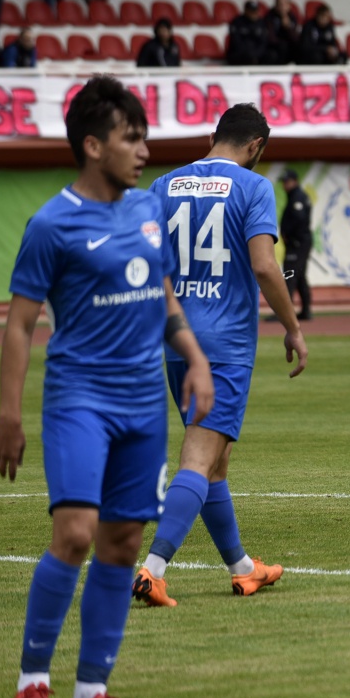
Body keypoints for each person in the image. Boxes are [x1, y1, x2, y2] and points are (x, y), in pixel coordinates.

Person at [0, 76, 214, 698]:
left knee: (120, 544)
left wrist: (195, 358)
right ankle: (32, 685)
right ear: (93, 145)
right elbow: (19, 324)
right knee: (77, 533)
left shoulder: (146, 210)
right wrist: (9, 416)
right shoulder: (51, 223)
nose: (144, 149)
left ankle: (92, 695)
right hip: (80, 400)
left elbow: (165, 297)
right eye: (130, 137)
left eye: (144, 136)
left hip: (145, 404)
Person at [132, 104, 306, 608]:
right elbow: (265, 266)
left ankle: (243, 568)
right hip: (224, 344)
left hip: (173, 338)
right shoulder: (253, 188)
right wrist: (293, 328)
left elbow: (142, 262)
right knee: (199, 457)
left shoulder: (163, 185)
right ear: (256, 147)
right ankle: (154, 569)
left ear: (214, 136)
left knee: (216, 461)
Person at [278, 169, 313, 320]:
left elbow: (299, 218)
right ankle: (305, 311)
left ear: (295, 181)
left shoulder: (297, 197)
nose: (285, 185)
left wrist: (288, 234)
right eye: (284, 182)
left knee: (290, 276)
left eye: (287, 182)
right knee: (299, 276)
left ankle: (286, 314)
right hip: (300, 242)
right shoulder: (296, 196)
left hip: (297, 243)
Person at [226, 0, 269, 65]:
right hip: (241, 54)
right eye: (251, 11)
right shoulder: (237, 22)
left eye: (255, 10)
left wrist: (255, 55)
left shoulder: (261, 23)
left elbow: (263, 43)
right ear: (246, 10)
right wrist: (250, 54)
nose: (254, 13)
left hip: (257, 54)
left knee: (271, 55)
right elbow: (236, 42)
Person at [264, 0, 299, 65]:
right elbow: (271, 39)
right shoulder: (269, 17)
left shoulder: (292, 17)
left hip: (289, 48)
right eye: (280, 4)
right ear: (276, 5)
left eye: (285, 4)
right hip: (275, 49)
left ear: (289, 5)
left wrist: (288, 27)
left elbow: (296, 39)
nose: (283, 7)